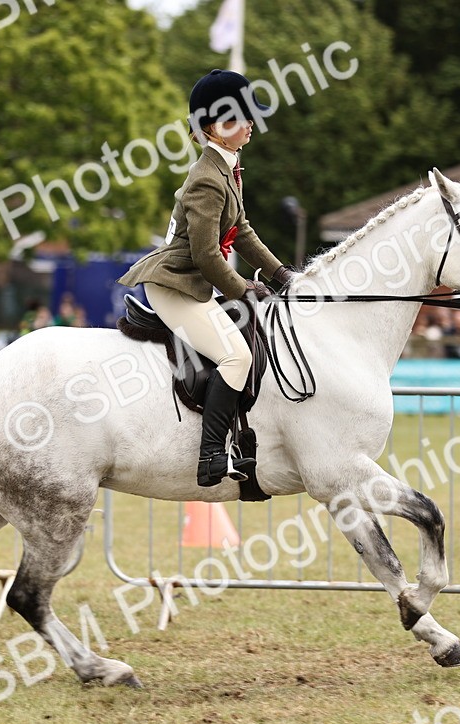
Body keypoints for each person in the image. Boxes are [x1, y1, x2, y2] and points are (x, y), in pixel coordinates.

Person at [117, 68, 295, 487]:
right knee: (238, 357)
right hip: (176, 283)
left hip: (193, 281)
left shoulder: (228, 168)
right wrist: (244, 288)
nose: (250, 124)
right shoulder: (206, 179)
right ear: (215, 128)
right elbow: (206, 255)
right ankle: (211, 454)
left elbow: (243, 231)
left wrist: (280, 273)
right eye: (241, 117)